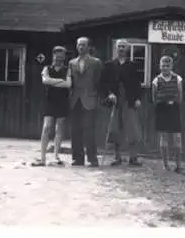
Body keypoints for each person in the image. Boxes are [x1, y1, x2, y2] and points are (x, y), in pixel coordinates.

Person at [100, 39, 143, 166]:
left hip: (129, 100)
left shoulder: (133, 65)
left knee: (132, 128)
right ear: (116, 48)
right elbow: (103, 83)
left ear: (127, 49)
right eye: (119, 46)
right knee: (115, 129)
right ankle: (117, 157)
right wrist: (109, 94)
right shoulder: (109, 65)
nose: (121, 49)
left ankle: (133, 158)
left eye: (123, 46)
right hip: (115, 101)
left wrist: (138, 99)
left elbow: (137, 84)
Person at [32, 46, 71, 167]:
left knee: (59, 128)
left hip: (62, 101)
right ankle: (42, 158)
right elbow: (45, 81)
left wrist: (52, 81)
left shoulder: (67, 70)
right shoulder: (46, 68)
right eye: (56, 56)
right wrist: (60, 81)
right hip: (50, 101)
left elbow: (68, 84)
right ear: (53, 56)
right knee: (46, 127)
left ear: (64, 57)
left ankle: (56, 156)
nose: (58, 59)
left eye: (61, 56)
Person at [68, 37, 103, 167]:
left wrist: (98, 97)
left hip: (90, 98)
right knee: (75, 130)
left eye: (84, 45)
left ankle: (92, 158)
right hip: (75, 100)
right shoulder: (72, 63)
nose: (81, 47)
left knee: (89, 130)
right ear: (77, 47)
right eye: (79, 45)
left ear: (88, 47)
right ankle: (77, 158)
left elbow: (99, 81)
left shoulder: (95, 62)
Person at [152, 55, 184, 173]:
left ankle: (178, 165)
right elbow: (154, 97)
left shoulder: (178, 79)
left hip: (174, 109)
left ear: (171, 66)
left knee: (177, 137)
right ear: (160, 66)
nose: (165, 68)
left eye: (167, 66)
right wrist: (162, 103)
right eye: (163, 66)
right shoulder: (156, 80)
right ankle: (166, 165)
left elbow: (180, 95)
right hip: (161, 110)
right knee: (164, 137)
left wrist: (173, 103)